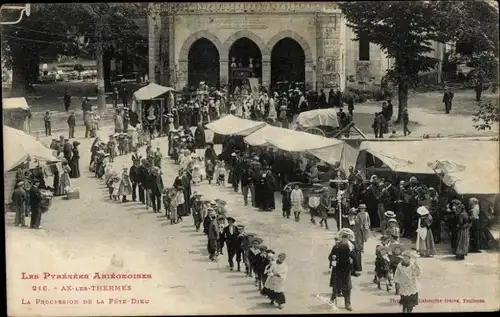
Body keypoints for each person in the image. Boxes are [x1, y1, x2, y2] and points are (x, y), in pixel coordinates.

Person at [328, 231, 355, 311]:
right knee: (336, 286)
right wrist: (333, 260)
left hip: (346, 269)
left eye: (346, 238)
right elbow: (330, 257)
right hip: (338, 268)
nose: (345, 240)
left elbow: (355, 257)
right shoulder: (336, 246)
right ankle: (332, 298)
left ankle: (348, 304)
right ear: (341, 239)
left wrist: (352, 261)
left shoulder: (351, 247)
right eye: (343, 238)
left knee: (347, 287)